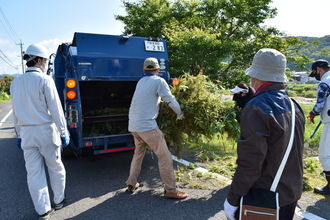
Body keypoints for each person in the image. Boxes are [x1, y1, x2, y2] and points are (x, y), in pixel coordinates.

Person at [223, 49, 305, 220]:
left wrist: (232, 200)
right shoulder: (294, 105)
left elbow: (251, 161)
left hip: (265, 198)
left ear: (256, 76)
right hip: (290, 193)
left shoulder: (256, 107)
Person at [10, 44, 70, 220]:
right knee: (55, 167)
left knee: (33, 172)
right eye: (44, 61)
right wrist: (63, 131)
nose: (45, 64)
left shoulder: (15, 83)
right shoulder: (45, 80)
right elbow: (56, 109)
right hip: (46, 130)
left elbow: (15, 112)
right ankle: (58, 200)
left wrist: (19, 134)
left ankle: (43, 210)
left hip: (27, 133)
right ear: (38, 60)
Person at [125, 57, 187, 199]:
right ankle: (171, 190)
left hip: (133, 125)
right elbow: (170, 100)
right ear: (158, 70)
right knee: (165, 157)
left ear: (144, 70)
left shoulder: (141, 81)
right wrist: (179, 113)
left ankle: (131, 182)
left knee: (138, 153)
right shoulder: (159, 81)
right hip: (146, 127)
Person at [308, 59, 330, 195]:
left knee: (325, 155)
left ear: (318, 69)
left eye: (315, 72)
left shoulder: (325, 82)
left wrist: (312, 113)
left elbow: (320, 104)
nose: (316, 75)